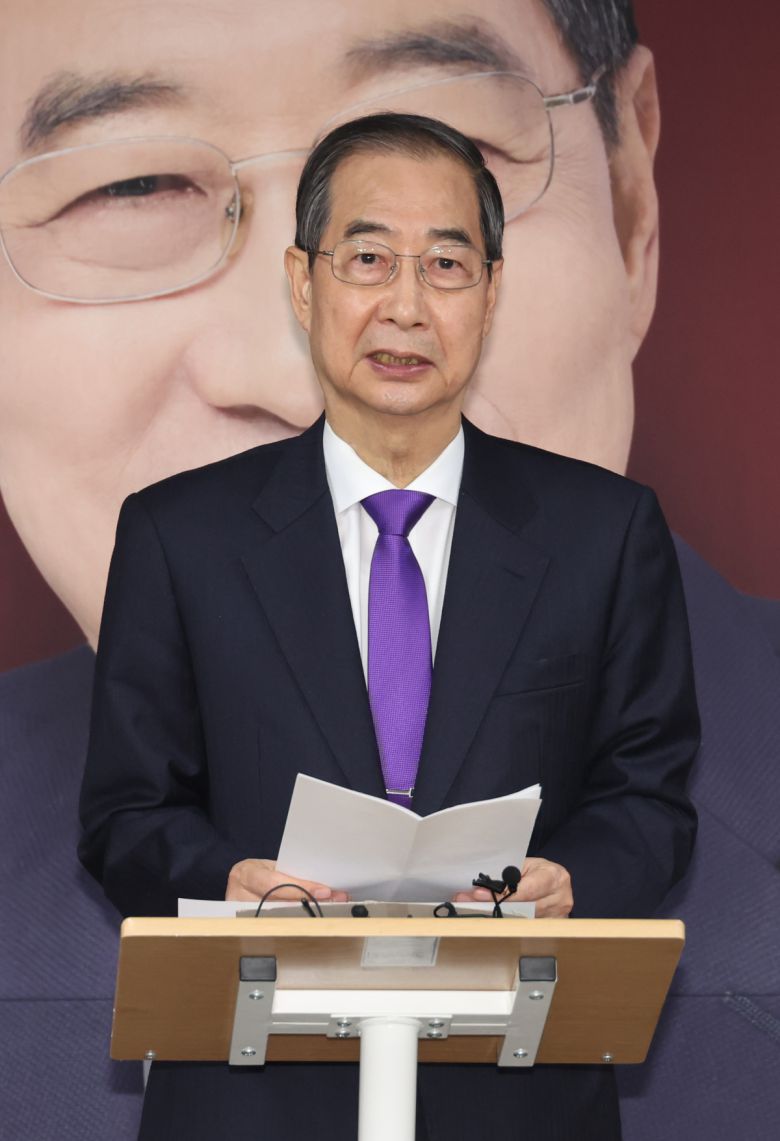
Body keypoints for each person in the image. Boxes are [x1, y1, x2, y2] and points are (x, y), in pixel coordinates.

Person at [0, 2, 777, 1139]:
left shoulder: (603, 533)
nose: (402, 309)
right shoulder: (178, 533)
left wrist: (574, 879)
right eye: (131, 186)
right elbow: (127, 813)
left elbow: (648, 795)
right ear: (305, 285)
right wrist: (227, 880)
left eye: (446, 262)